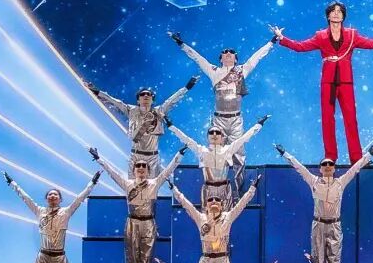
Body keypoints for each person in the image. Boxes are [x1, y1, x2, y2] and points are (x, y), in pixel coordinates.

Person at [270, 1, 373, 162]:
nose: (336, 13)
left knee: (351, 119)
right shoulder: (320, 36)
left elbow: (372, 44)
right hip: (328, 82)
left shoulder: (352, 35)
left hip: (346, 81)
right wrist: (282, 38)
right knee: (327, 119)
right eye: (333, 11)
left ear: (344, 15)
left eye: (340, 11)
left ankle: (356, 158)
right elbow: (300, 46)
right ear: (328, 15)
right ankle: (330, 157)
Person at [170, 31, 278, 188]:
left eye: (231, 52)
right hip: (218, 121)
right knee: (216, 155)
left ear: (236, 58)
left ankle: (239, 191)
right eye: (224, 52)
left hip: (236, 120)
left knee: (239, 156)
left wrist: (272, 41)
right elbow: (197, 57)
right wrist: (181, 43)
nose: (228, 53)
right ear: (220, 59)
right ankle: (215, 190)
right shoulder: (214, 71)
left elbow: (257, 57)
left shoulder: (242, 70)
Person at [275, 143, 373, 263]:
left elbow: (355, 169)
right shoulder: (314, 181)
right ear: (320, 168)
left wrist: (369, 155)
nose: (328, 166)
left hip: (335, 225)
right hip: (319, 224)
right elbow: (299, 167)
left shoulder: (340, 182)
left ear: (334, 168)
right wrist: (285, 154)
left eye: (330, 164)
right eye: (325, 164)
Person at [90, 145, 185, 263]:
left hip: (148, 223)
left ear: (148, 171)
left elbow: (168, 170)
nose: (141, 168)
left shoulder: (154, 183)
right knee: (132, 260)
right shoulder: (128, 184)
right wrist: (99, 159)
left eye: (144, 166)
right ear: (133, 170)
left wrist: (179, 155)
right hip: (132, 223)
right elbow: (112, 172)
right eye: (138, 166)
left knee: (146, 260)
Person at [169, 175, 260, 263]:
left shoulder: (228, 217)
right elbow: (186, 204)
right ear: (206, 206)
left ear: (222, 205)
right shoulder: (201, 218)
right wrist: (174, 189)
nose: (213, 201)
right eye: (210, 200)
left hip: (223, 260)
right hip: (206, 261)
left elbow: (242, 204)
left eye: (217, 199)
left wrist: (252, 188)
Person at [87, 77, 198, 172]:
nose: (146, 95)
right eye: (142, 94)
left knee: (152, 187)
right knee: (133, 187)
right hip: (135, 156)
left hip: (153, 157)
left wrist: (186, 88)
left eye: (149, 94)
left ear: (152, 100)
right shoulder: (131, 110)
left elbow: (172, 100)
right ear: (138, 100)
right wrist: (97, 92)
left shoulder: (159, 111)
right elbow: (113, 101)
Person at [165, 114, 268, 209]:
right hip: (208, 189)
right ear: (207, 137)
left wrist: (258, 125)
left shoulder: (227, 150)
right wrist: (171, 126)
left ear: (222, 137)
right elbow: (186, 139)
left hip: (225, 189)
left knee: (227, 217)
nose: (214, 134)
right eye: (211, 132)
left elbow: (244, 138)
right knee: (207, 218)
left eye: (218, 132)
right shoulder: (202, 151)